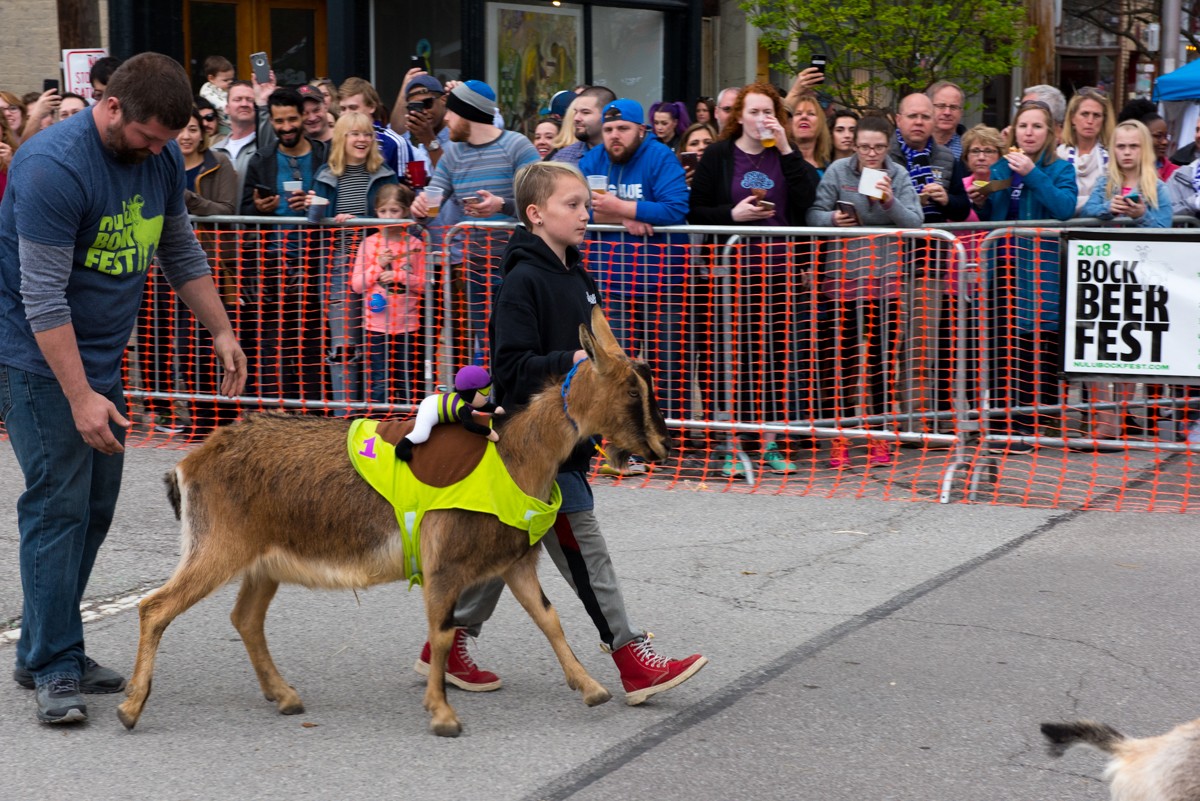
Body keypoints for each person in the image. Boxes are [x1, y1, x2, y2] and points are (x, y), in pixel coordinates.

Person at [0, 52, 246, 724]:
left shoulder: (158, 157)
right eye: (148, 137)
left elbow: (178, 248)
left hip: (102, 360)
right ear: (110, 106)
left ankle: (45, 647)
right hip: (38, 359)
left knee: (97, 508)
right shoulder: (53, 166)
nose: (158, 152)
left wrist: (221, 329)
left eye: (168, 141)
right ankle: (54, 663)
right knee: (58, 506)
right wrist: (80, 395)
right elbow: (43, 295)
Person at [415, 159, 707, 705]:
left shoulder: (577, 273)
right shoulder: (522, 279)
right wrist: (569, 359)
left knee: (508, 548)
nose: (585, 213)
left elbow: (601, 349)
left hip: (570, 440)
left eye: (587, 205)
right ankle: (632, 660)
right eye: (572, 205)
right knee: (584, 552)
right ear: (535, 213)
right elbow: (511, 368)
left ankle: (444, 645)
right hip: (534, 445)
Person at [688, 82, 820, 477]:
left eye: (770, 113)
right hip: (731, 274)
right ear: (739, 116)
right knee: (731, 361)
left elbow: (809, 197)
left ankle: (770, 442)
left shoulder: (785, 155)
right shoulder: (718, 155)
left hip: (778, 273)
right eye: (756, 112)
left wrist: (784, 147)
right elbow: (696, 211)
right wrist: (733, 215)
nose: (763, 119)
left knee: (774, 361)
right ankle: (730, 445)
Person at [807, 114, 923, 468]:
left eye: (878, 147)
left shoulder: (899, 174)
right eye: (864, 147)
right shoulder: (839, 171)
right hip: (842, 282)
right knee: (842, 364)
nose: (871, 154)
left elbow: (916, 221)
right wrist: (832, 220)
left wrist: (889, 201)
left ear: (888, 146)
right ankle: (840, 437)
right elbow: (813, 213)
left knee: (879, 364)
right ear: (853, 145)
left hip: (884, 284)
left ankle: (878, 436)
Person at [970, 99, 1077, 453]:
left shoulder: (1060, 169)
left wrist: (1032, 172)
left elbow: (1063, 208)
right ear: (1013, 130)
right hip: (1004, 269)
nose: (1029, 132)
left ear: (1050, 133)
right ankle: (1001, 424)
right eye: (1023, 126)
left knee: (1037, 346)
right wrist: (981, 198)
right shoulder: (1002, 167)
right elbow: (992, 211)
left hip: (1041, 270)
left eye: (1037, 126)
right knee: (1003, 347)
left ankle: (1029, 422)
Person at [410, 79, 541, 367]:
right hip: (474, 270)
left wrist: (502, 205)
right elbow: (431, 206)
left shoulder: (517, 146)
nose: (445, 119)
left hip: (519, 267)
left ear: (467, 112)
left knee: (517, 343)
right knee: (484, 343)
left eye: (451, 112)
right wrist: (419, 210)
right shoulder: (453, 155)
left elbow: (542, 205)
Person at [578, 98, 691, 432]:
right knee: (615, 366)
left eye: (623, 129)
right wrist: (627, 213)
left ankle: (672, 435)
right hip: (612, 283)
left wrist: (622, 208)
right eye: (609, 129)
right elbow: (574, 206)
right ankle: (624, 434)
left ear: (642, 130)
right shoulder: (591, 160)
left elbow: (676, 208)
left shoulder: (660, 158)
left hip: (663, 282)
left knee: (667, 364)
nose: (615, 136)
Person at [1080, 119, 1172, 441]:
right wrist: (1108, 208)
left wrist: (1140, 216)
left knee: (1129, 346)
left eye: (1133, 146)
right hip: (1104, 276)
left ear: (1143, 148)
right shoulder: (1106, 182)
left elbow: (1166, 229)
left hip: (1140, 278)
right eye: (1121, 146)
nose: (1127, 152)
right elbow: (1085, 215)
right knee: (1097, 343)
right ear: (1113, 150)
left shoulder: (1157, 186)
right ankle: (1103, 419)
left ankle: (1119, 414)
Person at [241, 87, 331, 403]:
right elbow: (243, 211)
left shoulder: (325, 154)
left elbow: (339, 199)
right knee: (270, 345)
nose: (286, 127)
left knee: (311, 344)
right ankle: (272, 415)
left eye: (292, 119)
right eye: (279, 121)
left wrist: (315, 202)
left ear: (304, 117)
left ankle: (313, 416)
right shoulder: (261, 160)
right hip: (270, 267)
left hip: (315, 265)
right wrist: (259, 209)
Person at [308, 110, 400, 403]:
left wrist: (360, 220)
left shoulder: (385, 174)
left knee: (376, 340)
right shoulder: (325, 174)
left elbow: (394, 219)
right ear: (341, 138)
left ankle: (376, 410)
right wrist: (317, 210)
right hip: (341, 263)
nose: (362, 139)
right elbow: (313, 222)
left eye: (367, 134)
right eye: (355, 134)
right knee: (344, 344)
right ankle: (345, 414)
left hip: (379, 259)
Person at [177, 105, 242, 434]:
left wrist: (189, 199)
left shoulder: (219, 164)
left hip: (214, 269)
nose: (185, 136)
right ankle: (198, 418)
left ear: (202, 133)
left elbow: (227, 211)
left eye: (192, 129)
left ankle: (221, 420)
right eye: (180, 129)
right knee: (186, 348)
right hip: (170, 270)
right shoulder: (164, 164)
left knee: (214, 345)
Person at [348, 182, 426, 407]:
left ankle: (410, 425)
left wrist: (399, 277)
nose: (389, 217)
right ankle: (378, 426)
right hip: (376, 327)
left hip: (407, 326)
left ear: (405, 211)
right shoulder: (369, 244)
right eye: (383, 211)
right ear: (376, 213)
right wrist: (378, 267)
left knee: (407, 380)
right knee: (380, 382)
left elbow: (424, 285)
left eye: (395, 211)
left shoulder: (416, 245)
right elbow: (357, 284)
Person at [889, 93, 970, 224]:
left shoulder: (947, 157)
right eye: (912, 116)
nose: (919, 122)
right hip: (893, 240)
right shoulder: (882, 154)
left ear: (933, 122)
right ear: (898, 120)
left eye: (926, 117)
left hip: (935, 241)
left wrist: (947, 200)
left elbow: (963, 211)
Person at [338, 76, 422, 182]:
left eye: (353, 108)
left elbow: (406, 193)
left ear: (372, 107)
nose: (347, 114)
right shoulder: (334, 140)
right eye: (342, 109)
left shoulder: (395, 143)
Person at [1058, 88, 1115, 215]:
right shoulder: (1058, 155)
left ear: (1104, 120)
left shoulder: (1113, 157)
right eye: (1084, 114)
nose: (1090, 121)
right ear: (1073, 118)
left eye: (1096, 115)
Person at [389, 71, 448, 172]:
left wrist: (429, 141)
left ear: (443, 100)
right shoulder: (420, 147)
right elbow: (396, 133)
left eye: (428, 103)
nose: (423, 111)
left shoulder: (458, 136)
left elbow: (450, 178)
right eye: (416, 107)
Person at [211, 80, 258, 204]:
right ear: (227, 108)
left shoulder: (265, 146)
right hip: (221, 222)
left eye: (250, 100)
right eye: (237, 99)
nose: (244, 104)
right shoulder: (214, 151)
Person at [550, 85, 616, 166]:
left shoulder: (623, 154)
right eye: (576, 112)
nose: (576, 118)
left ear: (607, 115)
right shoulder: (563, 159)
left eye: (585, 112)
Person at [960, 124, 1004, 223]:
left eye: (988, 151)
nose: (981, 157)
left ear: (999, 156)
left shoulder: (1005, 186)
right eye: (975, 151)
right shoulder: (959, 186)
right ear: (966, 156)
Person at [790, 94, 831, 174]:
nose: (804, 117)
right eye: (798, 113)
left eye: (811, 114)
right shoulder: (780, 163)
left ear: (820, 123)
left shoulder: (829, 170)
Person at [926, 81, 966, 157]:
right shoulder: (915, 144)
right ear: (928, 108)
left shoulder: (970, 149)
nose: (947, 112)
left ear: (961, 112)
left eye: (953, 107)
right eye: (941, 106)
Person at [197, 55, 235, 135]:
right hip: (222, 125)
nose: (230, 82)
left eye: (231, 79)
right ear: (211, 78)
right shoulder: (207, 90)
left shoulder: (226, 89)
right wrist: (230, 107)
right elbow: (219, 104)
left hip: (231, 123)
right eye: (225, 80)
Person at [675, 121, 714, 188]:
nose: (702, 147)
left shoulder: (727, 174)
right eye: (694, 144)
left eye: (708, 142)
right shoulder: (674, 177)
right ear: (684, 149)